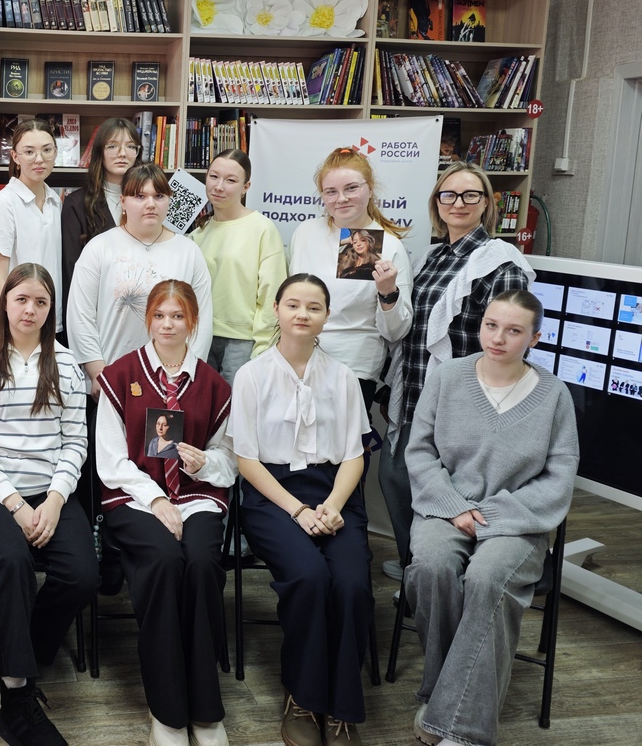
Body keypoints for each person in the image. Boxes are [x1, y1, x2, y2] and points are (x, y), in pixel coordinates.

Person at [404, 290, 579, 746]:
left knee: (486, 578)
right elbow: (419, 453)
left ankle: (459, 726)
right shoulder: (447, 377)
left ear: (534, 338)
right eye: (491, 325)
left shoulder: (554, 396)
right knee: (432, 567)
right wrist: (455, 506)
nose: (498, 338)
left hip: (518, 521)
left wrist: (491, 515)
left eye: (514, 330)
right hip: (446, 509)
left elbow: (559, 478)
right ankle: (447, 697)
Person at [0, 263, 95, 746]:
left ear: (51, 309)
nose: (30, 310)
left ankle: (26, 646)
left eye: (41, 302)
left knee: (82, 574)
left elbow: (76, 441)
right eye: (21, 299)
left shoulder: (67, 364)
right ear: (5, 303)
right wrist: (16, 505)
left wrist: (55, 499)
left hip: (51, 490)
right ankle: (16, 702)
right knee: (12, 562)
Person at [231, 273, 372, 746]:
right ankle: (304, 697)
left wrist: (332, 506)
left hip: (335, 493)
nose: (302, 314)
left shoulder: (343, 376)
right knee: (309, 577)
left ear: (327, 316)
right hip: (273, 496)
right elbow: (246, 459)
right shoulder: (252, 375)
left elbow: (354, 455)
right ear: (276, 309)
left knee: (351, 584)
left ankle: (343, 706)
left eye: (314, 307)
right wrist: (298, 511)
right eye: (293, 304)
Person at [96, 280, 235, 746]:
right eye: (159, 315)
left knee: (201, 562)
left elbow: (228, 459)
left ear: (192, 321)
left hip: (195, 497)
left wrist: (204, 462)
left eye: (178, 316)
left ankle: (206, 710)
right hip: (134, 497)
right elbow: (110, 461)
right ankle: (168, 711)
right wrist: (155, 499)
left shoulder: (213, 384)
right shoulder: (120, 375)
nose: (168, 325)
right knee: (163, 560)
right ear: (147, 319)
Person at [383, 162, 532, 578]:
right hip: (416, 388)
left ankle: (440, 574)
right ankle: (418, 569)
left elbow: (507, 339)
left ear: (486, 204)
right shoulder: (430, 257)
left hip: (462, 399)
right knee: (395, 477)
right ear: (437, 203)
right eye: (448, 195)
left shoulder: (501, 263)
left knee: (442, 491)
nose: (458, 203)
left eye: (470, 195)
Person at [67, 163, 214, 396]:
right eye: (140, 196)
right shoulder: (100, 247)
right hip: (112, 378)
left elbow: (202, 318)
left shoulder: (189, 252)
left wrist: (185, 375)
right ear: (123, 202)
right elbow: (80, 314)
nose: (150, 204)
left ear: (169, 200)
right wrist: (98, 373)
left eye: (159, 196)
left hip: (173, 383)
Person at [289, 147, 413, 413]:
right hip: (298, 360)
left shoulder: (389, 247)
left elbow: (396, 332)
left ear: (370, 188)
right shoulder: (306, 233)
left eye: (351, 188)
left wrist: (387, 293)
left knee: (342, 440)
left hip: (352, 368)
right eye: (331, 191)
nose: (341, 199)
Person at [189, 148, 285, 385]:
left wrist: (263, 347)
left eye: (230, 180)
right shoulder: (198, 232)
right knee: (204, 406)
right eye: (213, 177)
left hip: (243, 342)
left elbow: (272, 294)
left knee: (239, 407)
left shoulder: (262, 228)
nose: (219, 186)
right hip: (200, 337)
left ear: (246, 187)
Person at [0, 118, 64, 333]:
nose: (39, 159)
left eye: (47, 150)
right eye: (29, 152)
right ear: (15, 157)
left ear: (55, 152)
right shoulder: (4, 202)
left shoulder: (54, 200)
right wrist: (7, 326)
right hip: (17, 323)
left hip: (49, 318)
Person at [59, 118, 140, 299]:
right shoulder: (76, 204)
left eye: (130, 146)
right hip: (93, 304)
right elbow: (71, 270)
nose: (122, 153)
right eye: (112, 146)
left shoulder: (148, 202)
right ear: (99, 152)